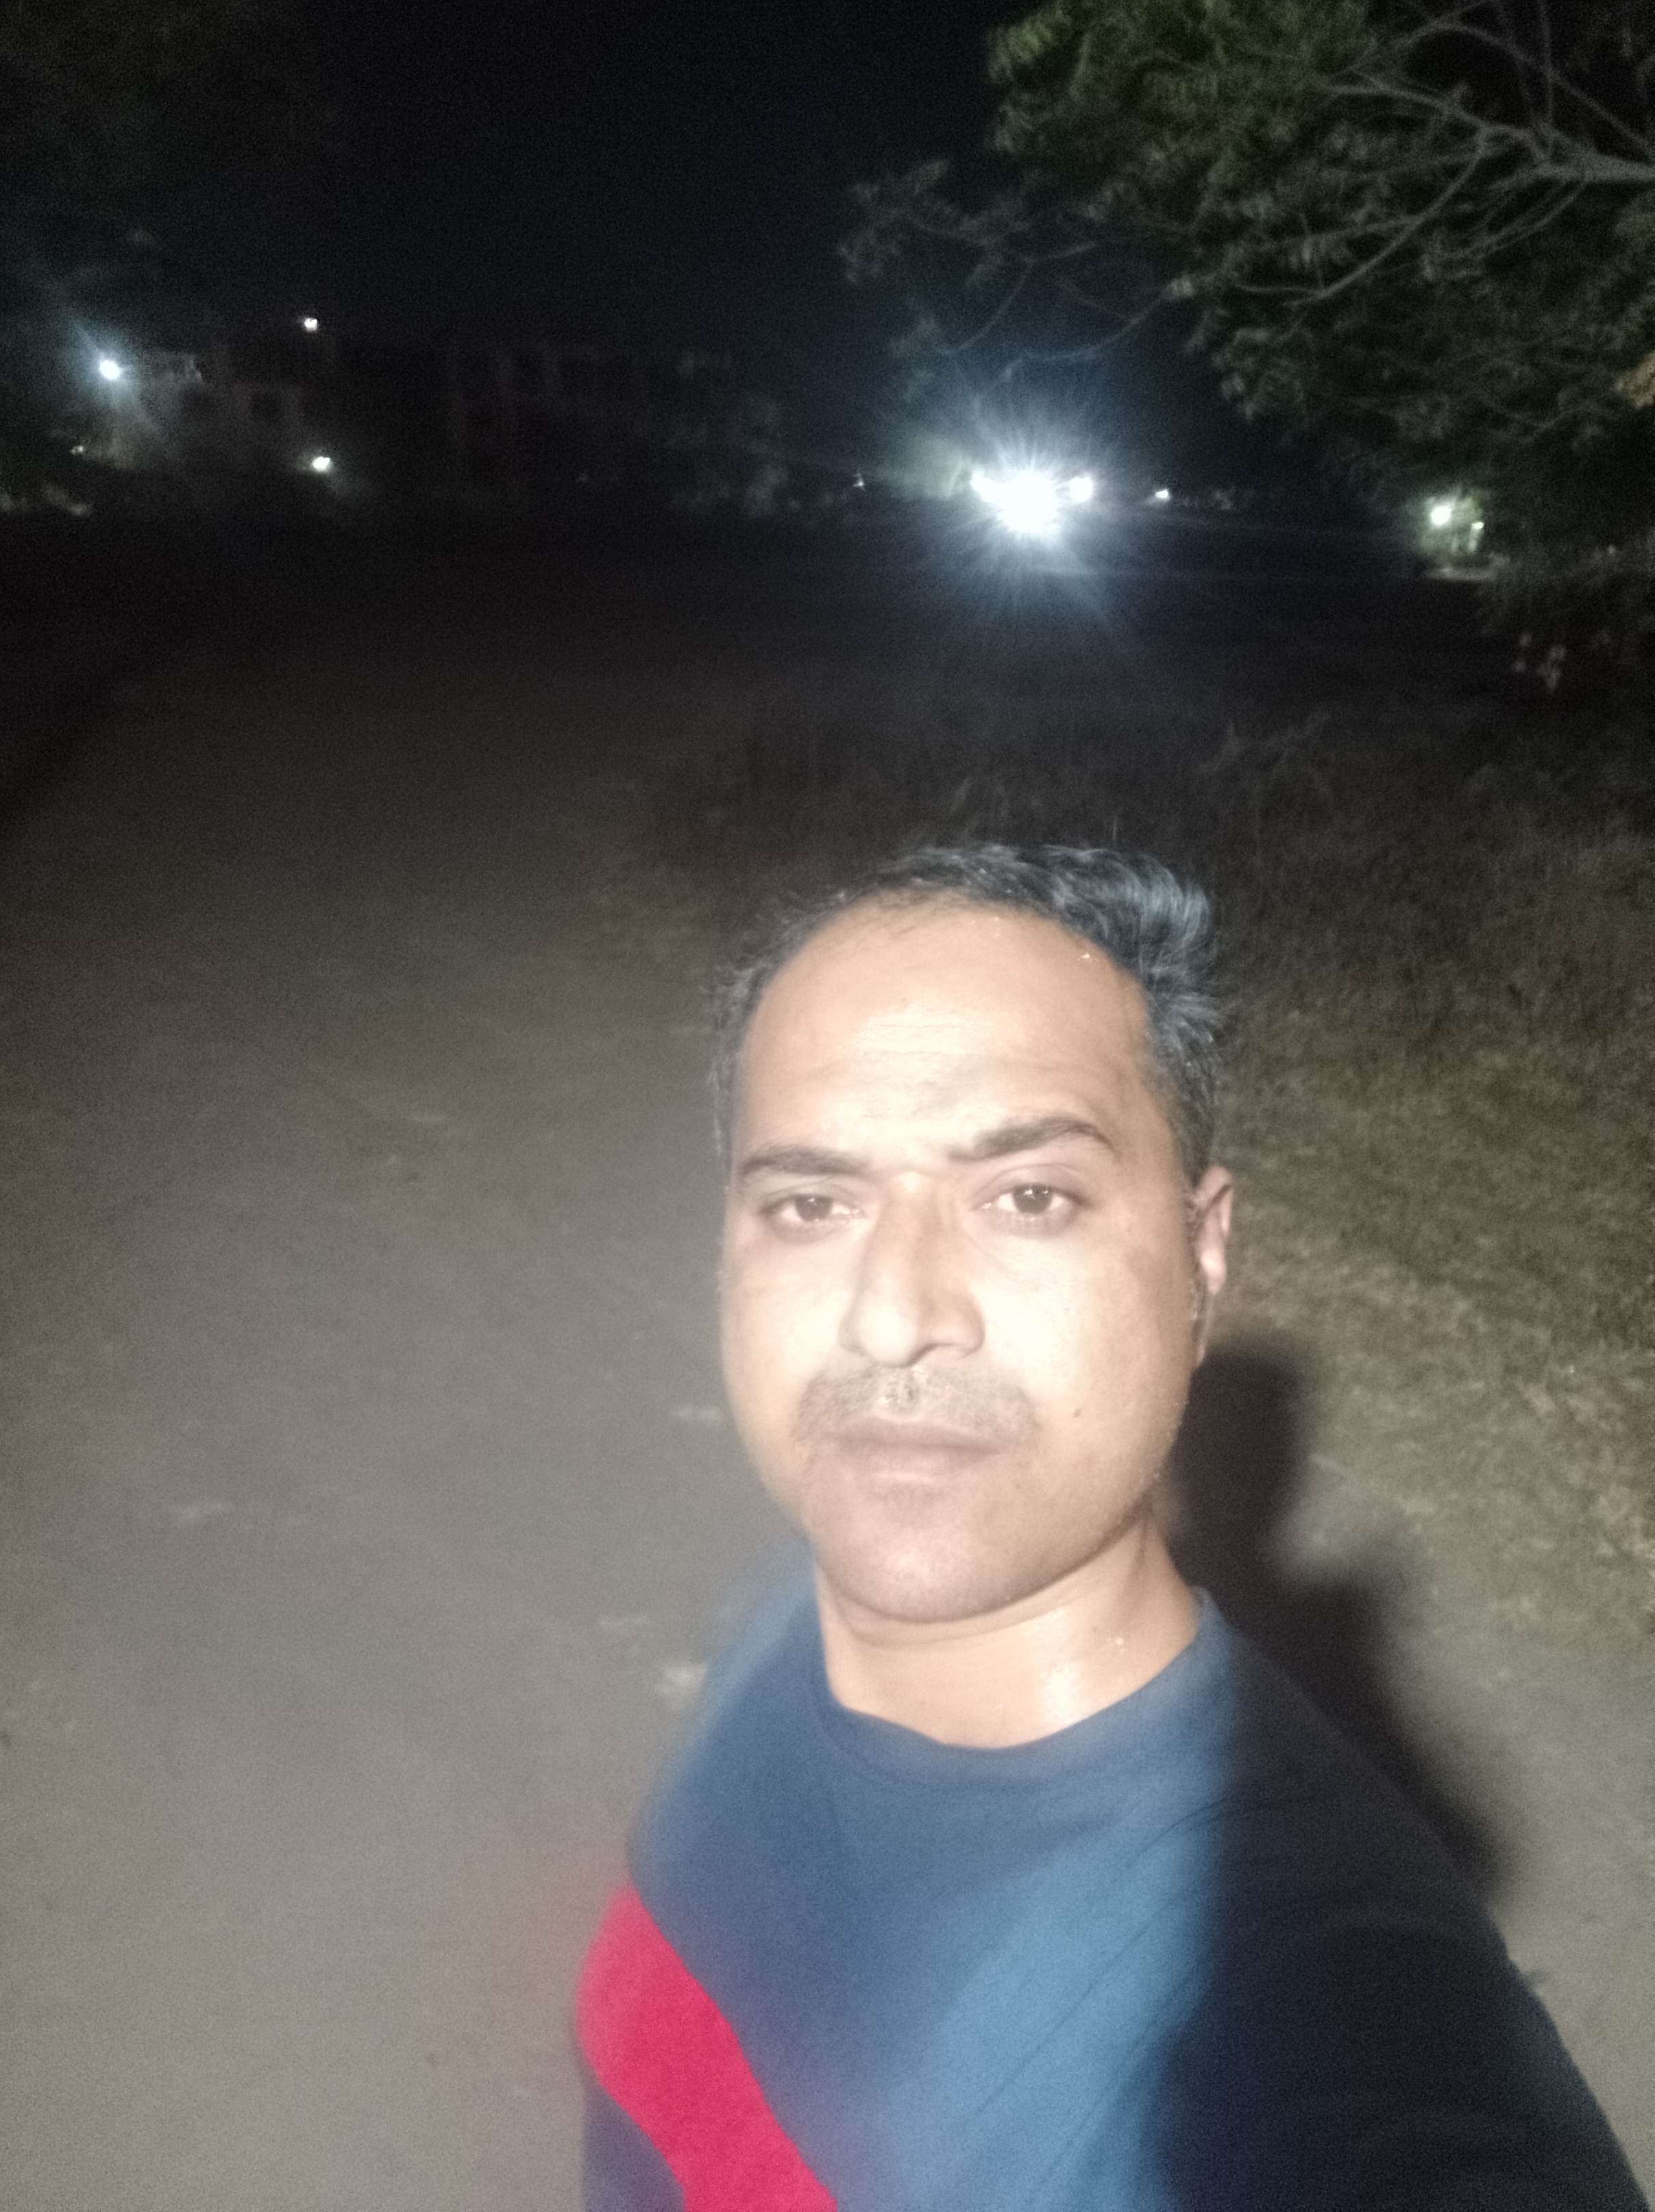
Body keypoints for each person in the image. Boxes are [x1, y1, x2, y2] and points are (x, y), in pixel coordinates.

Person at [574, 843, 1645, 2212]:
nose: (893, 1316)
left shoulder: (1304, 1996)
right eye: (813, 1205)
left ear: (1202, 1255)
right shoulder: (803, 1607)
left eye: (1030, 1198)